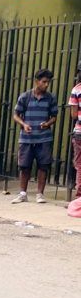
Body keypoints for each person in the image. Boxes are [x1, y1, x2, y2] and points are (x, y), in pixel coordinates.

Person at [11, 69, 58, 204]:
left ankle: (40, 194)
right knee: (24, 166)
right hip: (27, 137)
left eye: (48, 82)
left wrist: (47, 123)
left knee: (43, 166)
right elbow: (16, 115)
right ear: (36, 81)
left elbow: (54, 117)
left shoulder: (51, 98)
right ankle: (22, 193)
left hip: (44, 137)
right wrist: (24, 124)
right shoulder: (25, 97)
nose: (46, 85)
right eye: (44, 82)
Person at [70, 62, 81, 200]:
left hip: (79, 132)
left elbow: (73, 115)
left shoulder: (76, 89)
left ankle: (79, 198)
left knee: (79, 165)